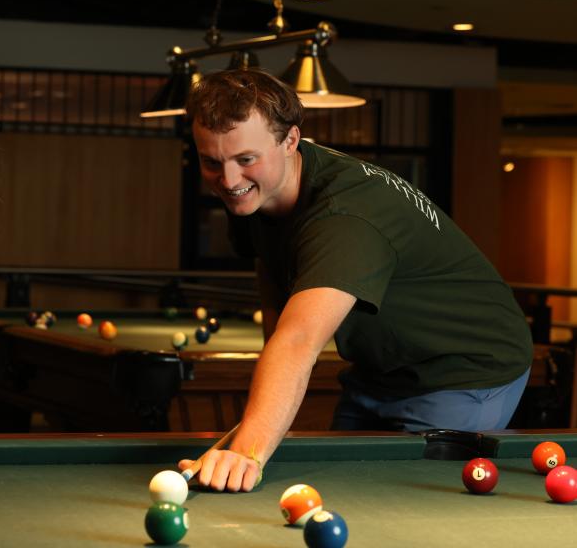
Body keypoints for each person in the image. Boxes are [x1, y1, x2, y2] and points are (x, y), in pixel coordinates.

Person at [178, 68, 533, 492]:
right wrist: (259, 416)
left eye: (246, 159)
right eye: (211, 162)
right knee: (342, 490)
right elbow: (274, 278)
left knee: (402, 504)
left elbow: (299, 341)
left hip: (463, 371)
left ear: (290, 140)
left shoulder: (343, 216)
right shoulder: (255, 194)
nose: (229, 180)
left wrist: (246, 452)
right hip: (378, 372)